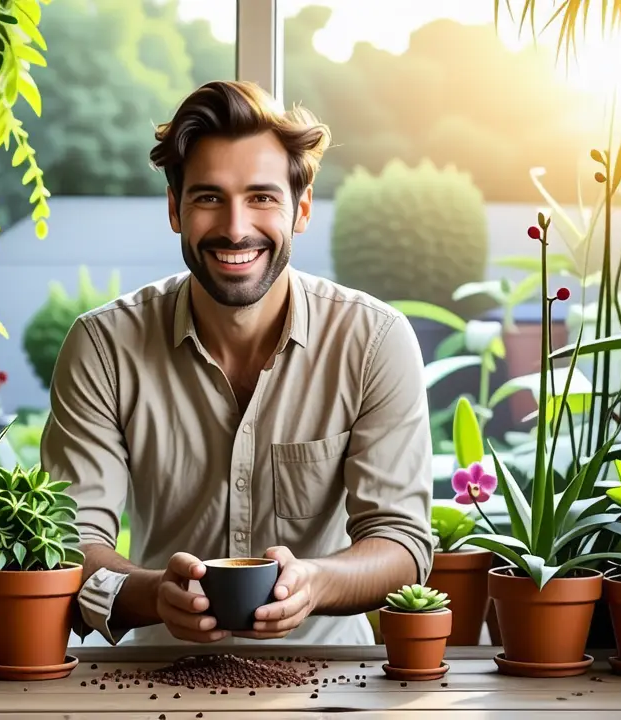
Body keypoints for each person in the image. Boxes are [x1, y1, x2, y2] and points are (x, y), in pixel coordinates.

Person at [40, 79, 434, 646]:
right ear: (175, 209)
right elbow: (70, 542)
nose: (235, 227)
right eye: (208, 197)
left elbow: (401, 545)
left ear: (301, 209)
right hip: (153, 681)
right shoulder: (103, 345)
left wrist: (315, 583)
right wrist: (155, 595)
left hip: (332, 685)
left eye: (261, 197)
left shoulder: (374, 341)